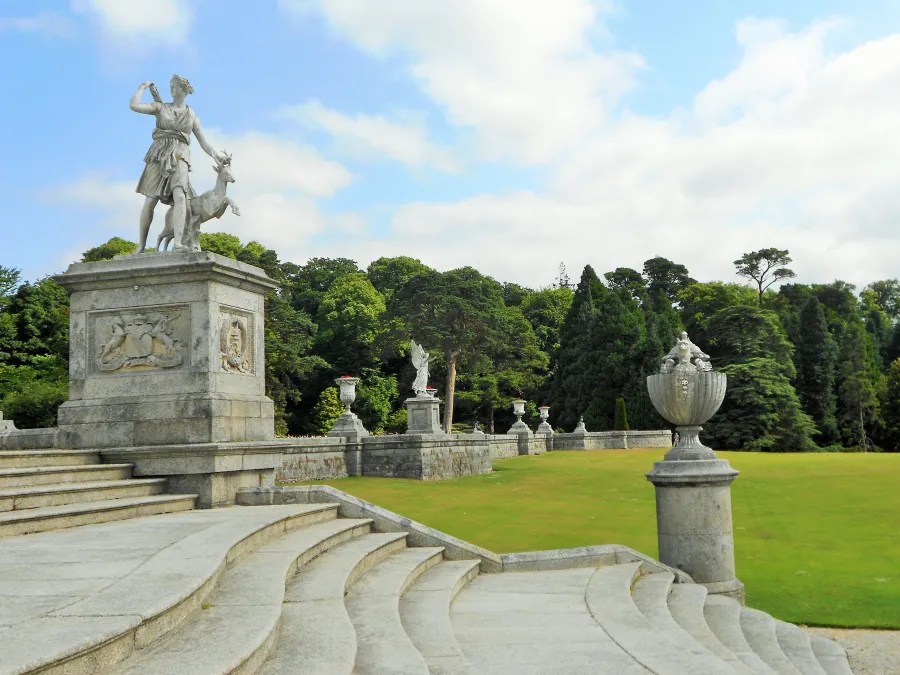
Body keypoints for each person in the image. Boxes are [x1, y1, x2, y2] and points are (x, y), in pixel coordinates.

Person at [130, 75, 224, 252]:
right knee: (150, 200)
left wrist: (217, 156)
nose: (171, 89)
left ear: (183, 89)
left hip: (181, 154)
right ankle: (141, 245)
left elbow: (204, 142)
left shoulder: (191, 114)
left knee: (181, 196)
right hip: (158, 154)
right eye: (170, 86)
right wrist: (142, 87)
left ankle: (178, 243)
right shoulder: (160, 107)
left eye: (174, 86)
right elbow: (134, 105)